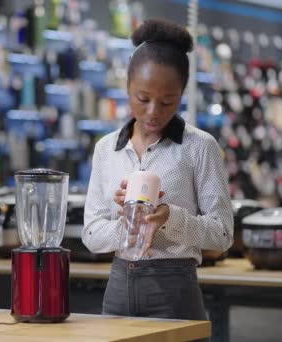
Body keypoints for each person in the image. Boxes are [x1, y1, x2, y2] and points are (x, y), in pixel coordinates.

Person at [82, 18, 234, 326]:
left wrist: (168, 217)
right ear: (127, 88)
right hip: (118, 287)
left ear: (182, 94)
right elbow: (91, 235)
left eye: (168, 101)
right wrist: (128, 222)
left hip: (174, 289)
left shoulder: (199, 147)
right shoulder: (106, 149)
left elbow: (222, 233)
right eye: (143, 99)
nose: (153, 112)